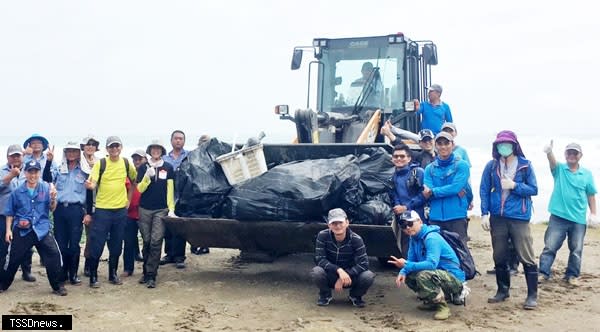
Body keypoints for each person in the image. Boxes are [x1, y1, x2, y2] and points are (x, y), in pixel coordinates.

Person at [480, 130, 539, 309]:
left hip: (519, 216)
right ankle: (502, 290)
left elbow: (534, 189)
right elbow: (484, 189)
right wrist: (484, 213)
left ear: (514, 145)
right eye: (500, 144)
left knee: (526, 254)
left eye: (506, 143)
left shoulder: (526, 165)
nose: (503, 146)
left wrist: (515, 186)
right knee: (499, 254)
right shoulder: (491, 166)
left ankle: (532, 296)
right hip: (498, 217)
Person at [0, 160, 67, 296]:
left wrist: (53, 199)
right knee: (13, 259)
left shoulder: (46, 188)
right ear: (25, 173)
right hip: (22, 230)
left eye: (35, 172)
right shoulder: (17, 191)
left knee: (54, 255)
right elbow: (10, 213)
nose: (33, 175)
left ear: (39, 173)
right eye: (30, 172)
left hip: (42, 229)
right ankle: (3, 284)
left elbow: (52, 208)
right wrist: (8, 231)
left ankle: (57, 286)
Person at [539, 141, 598, 286]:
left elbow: (591, 195)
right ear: (565, 155)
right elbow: (552, 163)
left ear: (580, 155)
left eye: (575, 153)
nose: (572, 155)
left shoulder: (587, 174)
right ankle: (543, 272)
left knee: (576, 249)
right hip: (558, 217)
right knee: (550, 246)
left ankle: (572, 275)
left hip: (578, 219)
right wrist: (549, 152)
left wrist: (594, 213)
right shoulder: (560, 169)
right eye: (569, 153)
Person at [388, 210, 465, 320]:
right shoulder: (414, 238)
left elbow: (431, 264)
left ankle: (442, 307)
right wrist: (403, 271)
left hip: (454, 279)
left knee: (423, 276)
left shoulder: (431, 238)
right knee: (409, 275)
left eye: (410, 223)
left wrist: (406, 265)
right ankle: (432, 300)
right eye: (403, 226)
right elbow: (411, 260)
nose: (407, 228)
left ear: (419, 221)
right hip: (438, 275)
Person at [84, 136, 137, 288]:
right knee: (97, 244)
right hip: (102, 211)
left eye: (117, 146)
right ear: (107, 149)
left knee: (116, 244)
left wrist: (129, 199)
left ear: (121, 147)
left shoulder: (126, 163)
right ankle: (93, 276)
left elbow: (134, 181)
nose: (114, 149)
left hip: (120, 211)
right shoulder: (101, 163)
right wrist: (90, 185)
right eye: (111, 147)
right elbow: (93, 182)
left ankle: (112, 274)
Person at [310, 208, 375, 308]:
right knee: (316, 272)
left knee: (368, 275)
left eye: (340, 222)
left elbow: (364, 264)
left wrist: (346, 274)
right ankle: (325, 295)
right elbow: (320, 259)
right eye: (334, 223)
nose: (338, 226)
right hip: (331, 274)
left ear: (347, 223)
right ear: (329, 225)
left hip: (350, 277)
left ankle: (355, 296)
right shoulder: (322, 236)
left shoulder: (356, 239)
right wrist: (339, 271)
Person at [136, 140, 176, 288]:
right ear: (150, 150)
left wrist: (171, 208)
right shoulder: (143, 168)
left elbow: (170, 190)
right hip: (144, 209)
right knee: (146, 241)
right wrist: (147, 177)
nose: (156, 151)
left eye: (158, 149)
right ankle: (146, 272)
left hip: (161, 209)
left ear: (162, 151)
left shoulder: (168, 167)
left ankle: (152, 274)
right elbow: (139, 189)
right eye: (153, 149)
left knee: (156, 241)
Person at [52, 141, 91, 286]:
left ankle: (73, 274)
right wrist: (49, 161)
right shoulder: (59, 168)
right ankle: (62, 273)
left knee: (74, 243)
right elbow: (48, 180)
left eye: (74, 151)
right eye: (68, 151)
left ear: (79, 153)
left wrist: (88, 213)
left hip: (76, 209)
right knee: (60, 243)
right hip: (60, 208)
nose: (71, 154)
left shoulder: (84, 170)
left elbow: (90, 193)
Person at [422, 132, 470, 242]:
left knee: (460, 252)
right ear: (435, 145)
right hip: (435, 217)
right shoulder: (430, 168)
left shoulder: (462, 165)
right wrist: (447, 191)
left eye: (446, 143)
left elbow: (455, 188)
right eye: (440, 143)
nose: (443, 147)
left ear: (452, 145)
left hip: (456, 216)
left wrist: (433, 192)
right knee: (436, 251)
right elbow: (426, 191)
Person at [0, 144, 37, 283]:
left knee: (27, 247)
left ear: (22, 157)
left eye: (18, 155)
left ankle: (26, 271)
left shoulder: (29, 171)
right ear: (7, 157)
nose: (15, 158)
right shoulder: (2, 171)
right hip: (3, 215)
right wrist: (10, 176)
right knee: (3, 246)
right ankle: (2, 275)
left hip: (24, 216)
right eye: (12, 155)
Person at [389, 143, 426, 258]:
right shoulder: (393, 176)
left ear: (409, 158)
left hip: (420, 217)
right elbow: (394, 194)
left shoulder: (418, 172)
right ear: (392, 159)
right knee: (406, 247)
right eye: (396, 156)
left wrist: (406, 207)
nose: (399, 159)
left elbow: (424, 195)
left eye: (402, 156)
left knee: (423, 245)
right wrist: (397, 206)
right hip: (404, 218)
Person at [122, 149, 146, 277]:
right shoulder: (129, 175)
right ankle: (128, 268)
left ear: (145, 160)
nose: (137, 161)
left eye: (140, 159)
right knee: (129, 241)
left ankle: (147, 268)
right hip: (130, 213)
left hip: (144, 213)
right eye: (135, 159)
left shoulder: (149, 174)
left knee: (147, 241)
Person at [80, 135, 101, 277]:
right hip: (78, 203)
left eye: (93, 144)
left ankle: (89, 263)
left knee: (91, 236)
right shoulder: (77, 160)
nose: (90, 147)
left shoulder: (99, 162)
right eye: (88, 144)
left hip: (94, 203)